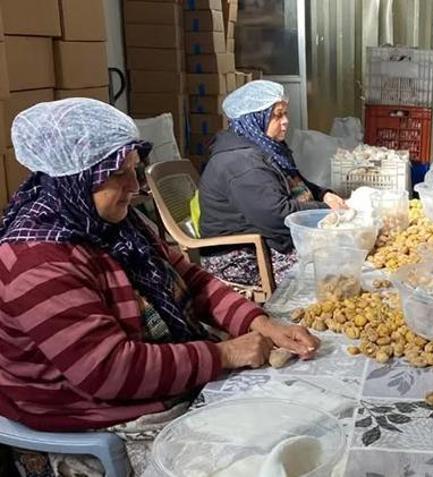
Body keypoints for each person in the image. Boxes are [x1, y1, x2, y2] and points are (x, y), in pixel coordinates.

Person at [0, 99, 320, 476]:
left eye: (133, 171)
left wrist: (260, 323)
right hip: (93, 412)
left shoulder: (117, 223)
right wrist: (224, 355)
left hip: (157, 368)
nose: (134, 187)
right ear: (74, 177)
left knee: (294, 412)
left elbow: (192, 279)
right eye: (118, 174)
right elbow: (107, 370)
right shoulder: (36, 260)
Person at [199, 80, 347, 286]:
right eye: (277, 115)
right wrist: (325, 210)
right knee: (336, 269)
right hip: (241, 256)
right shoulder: (242, 163)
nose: (285, 121)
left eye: (285, 114)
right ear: (254, 119)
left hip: (266, 238)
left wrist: (323, 194)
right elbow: (276, 216)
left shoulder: (266, 148)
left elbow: (294, 180)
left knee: (346, 248)